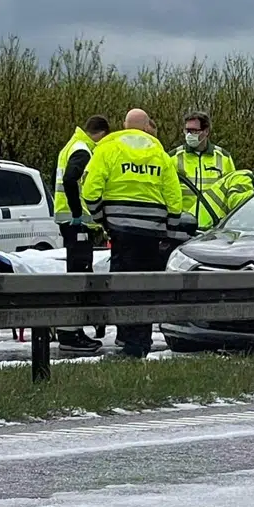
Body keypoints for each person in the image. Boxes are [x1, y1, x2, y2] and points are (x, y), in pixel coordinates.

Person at [81, 108, 191, 359]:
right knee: (145, 288)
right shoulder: (159, 153)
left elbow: (90, 190)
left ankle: (128, 342)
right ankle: (141, 341)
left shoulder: (108, 149)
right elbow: (174, 197)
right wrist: (170, 230)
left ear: (123, 125)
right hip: (151, 234)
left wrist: (102, 219)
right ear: (146, 127)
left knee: (122, 286)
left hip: (121, 231)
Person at [51, 114, 111, 354]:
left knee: (78, 273)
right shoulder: (83, 149)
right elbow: (69, 179)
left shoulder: (72, 144)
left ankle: (73, 331)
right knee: (79, 275)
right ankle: (70, 333)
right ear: (101, 134)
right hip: (77, 224)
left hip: (71, 222)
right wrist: (78, 211)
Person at [172, 111, 238, 232]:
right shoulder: (173, 157)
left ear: (206, 131)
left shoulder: (223, 157)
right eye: (187, 131)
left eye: (194, 131)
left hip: (215, 227)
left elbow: (232, 191)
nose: (189, 135)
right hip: (183, 226)